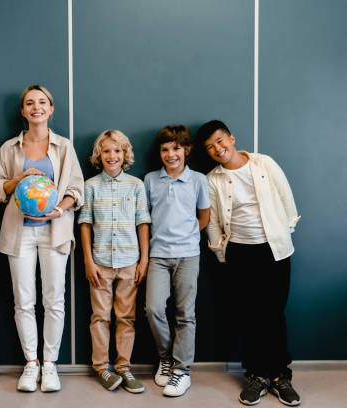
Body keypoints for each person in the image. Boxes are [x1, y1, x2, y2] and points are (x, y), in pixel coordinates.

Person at [197, 120, 301, 406]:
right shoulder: (212, 180)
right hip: (239, 253)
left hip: (274, 250)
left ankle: (281, 376)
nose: (218, 149)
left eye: (221, 141)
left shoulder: (263, 163)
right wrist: (221, 253)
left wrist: (284, 232)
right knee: (248, 315)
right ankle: (257, 376)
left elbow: (286, 197)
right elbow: (214, 222)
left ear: (231, 138)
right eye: (210, 147)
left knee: (274, 313)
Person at [0, 85, 84, 392]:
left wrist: (58, 210)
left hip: (54, 230)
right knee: (24, 301)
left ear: (51, 108)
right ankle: (31, 364)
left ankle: (50, 364)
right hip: (20, 233)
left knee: (54, 300)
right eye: (30, 103)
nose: (36, 107)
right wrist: (17, 180)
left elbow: (76, 189)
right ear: (23, 111)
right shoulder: (9, 148)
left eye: (42, 102)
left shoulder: (64, 146)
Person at [78, 130, 150, 393]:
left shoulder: (136, 185)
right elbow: (85, 224)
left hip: (130, 260)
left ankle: (124, 367)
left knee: (126, 317)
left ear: (125, 154)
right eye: (107, 151)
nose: (112, 156)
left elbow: (143, 223)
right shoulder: (90, 186)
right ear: (100, 155)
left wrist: (144, 260)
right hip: (100, 262)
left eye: (117, 151)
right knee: (100, 316)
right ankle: (102, 367)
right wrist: (88, 260)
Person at [143, 124, 210, 397]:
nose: (171, 154)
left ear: (187, 150)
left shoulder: (198, 180)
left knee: (185, 315)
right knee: (153, 309)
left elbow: (203, 216)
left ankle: (182, 370)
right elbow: (145, 217)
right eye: (165, 149)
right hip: (158, 254)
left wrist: (189, 234)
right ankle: (167, 357)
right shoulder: (150, 180)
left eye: (176, 148)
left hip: (188, 255)